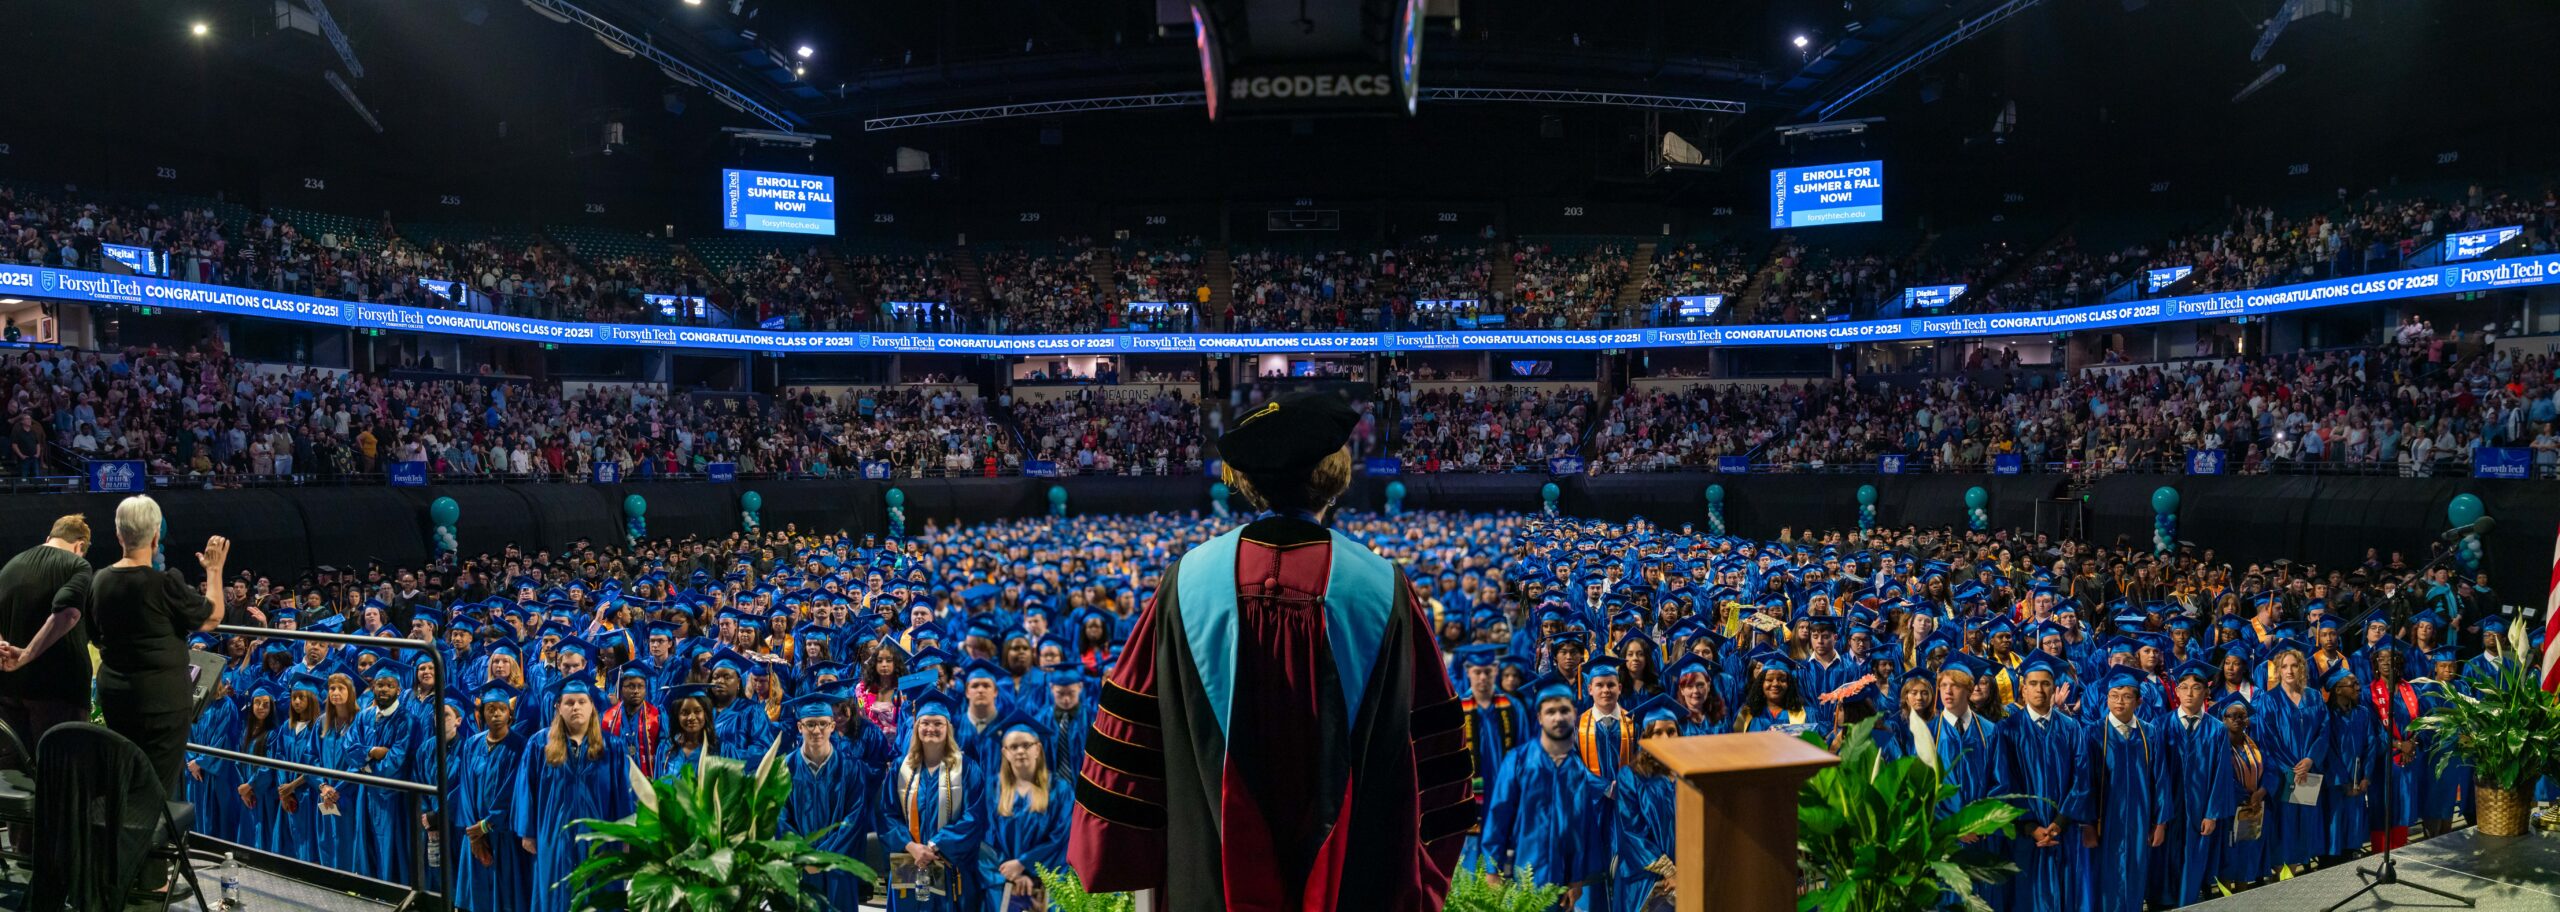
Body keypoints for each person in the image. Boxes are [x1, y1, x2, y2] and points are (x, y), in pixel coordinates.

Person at [1067, 393, 1474, 911]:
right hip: (1357, 877)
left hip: (1209, 879)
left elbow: (1132, 735)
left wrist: (1131, 855)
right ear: (1332, 477)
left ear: (1249, 483)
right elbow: (1433, 747)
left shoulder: (1186, 583)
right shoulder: (1381, 588)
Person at [91, 496, 259, 792]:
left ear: (119, 535)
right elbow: (212, 617)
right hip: (161, 703)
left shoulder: (100, 580)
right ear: (156, 537)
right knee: (157, 784)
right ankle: (149, 835)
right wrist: (215, 570)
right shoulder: (165, 583)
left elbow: (95, 634)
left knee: (125, 774)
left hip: (115, 693)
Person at [1478, 675, 1606, 901]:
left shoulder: (1575, 768)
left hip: (1560, 880)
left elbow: (1581, 826)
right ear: (1539, 717)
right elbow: (1498, 816)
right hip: (1521, 872)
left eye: (1564, 710)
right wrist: (1492, 869)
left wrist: (1576, 879)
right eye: (1550, 712)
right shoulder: (1518, 761)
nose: (1558, 718)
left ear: (1574, 714)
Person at [511, 677, 633, 912]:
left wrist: (625, 835)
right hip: (554, 835)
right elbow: (526, 789)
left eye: (581, 701)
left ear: (591, 706)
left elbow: (624, 794)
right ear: (558, 707)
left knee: (600, 892)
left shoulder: (613, 747)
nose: (575, 707)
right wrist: (527, 832)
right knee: (557, 893)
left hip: (600, 837)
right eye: (569, 702)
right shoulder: (539, 745)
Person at [0, 515, 96, 751]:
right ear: (79, 546)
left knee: (14, 778)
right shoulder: (77, 565)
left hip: (8, 691)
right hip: (59, 692)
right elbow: (68, 613)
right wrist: (25, 655)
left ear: (49, 538)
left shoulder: (11, 565)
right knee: (59, 773)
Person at [777, 691, 876, 911]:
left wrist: (822, 858)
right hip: (798, 866)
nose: (817, 731)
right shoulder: (784, 768)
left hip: (836, 866)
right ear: (799, 727)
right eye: (810, 724)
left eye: (822, 724)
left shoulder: (851, 768)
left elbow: (854, 820)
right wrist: (803, 855)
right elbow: (779, 817)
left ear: (832, 726)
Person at [977, 708, 1074, 912]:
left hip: (1048, 884)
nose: (1020, 751)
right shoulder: (992, 791)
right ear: (1005, 752)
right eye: (1013, 746)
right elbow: (983, 838)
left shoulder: (1060, 790)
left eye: (1026, 745)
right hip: (1003, 884)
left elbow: (1062, 838)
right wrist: (1011, 871)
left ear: (1038, 749)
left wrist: (1024, 864)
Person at [452, 683, 529, 912]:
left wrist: (487, 825)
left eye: (501, 709)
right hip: (474, 833)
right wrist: (474, 835)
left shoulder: (519, 746)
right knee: (475, 895)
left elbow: (513, 791)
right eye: (490, 709)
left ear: (509, 714)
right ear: (482, 713)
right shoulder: (472, 744)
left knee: (503, 893)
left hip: (502, 834)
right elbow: (465, 788)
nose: (495, 713)